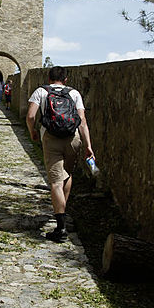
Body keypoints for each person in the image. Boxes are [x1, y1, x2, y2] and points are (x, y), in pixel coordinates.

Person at [26, 65, 95, 242]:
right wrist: (88, 145)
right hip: (73, 138)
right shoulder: (74, 93)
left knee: (55, 182)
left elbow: (31, 116)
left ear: (49, 78)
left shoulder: (41, 91)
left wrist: (32, 131)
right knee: (67, 174)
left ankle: (61, 226)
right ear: (65, 80)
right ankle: (61, 212)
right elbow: (82, 121)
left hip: (51, 138)